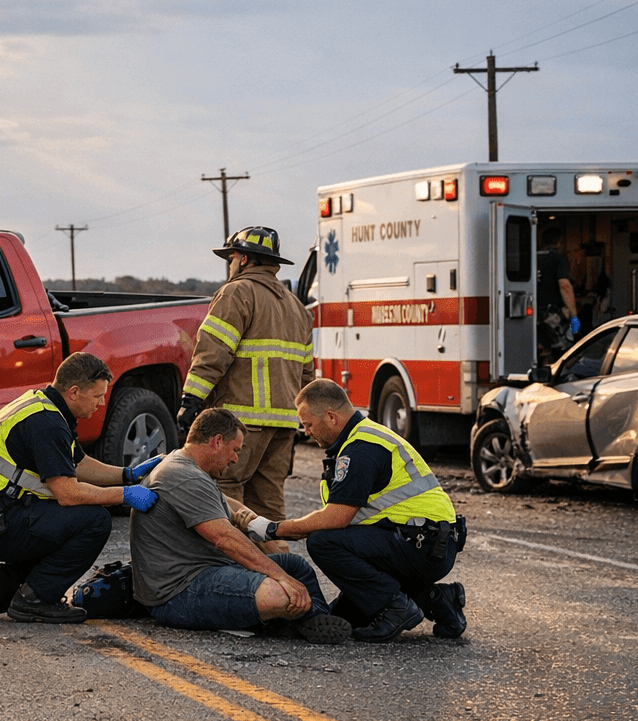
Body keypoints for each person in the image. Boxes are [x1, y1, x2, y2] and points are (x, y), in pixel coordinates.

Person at [243, 378, 466, 642]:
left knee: (324, 542)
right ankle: (439, 600)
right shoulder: (364, 437)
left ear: (331, 417)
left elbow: (336, 518)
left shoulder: (362, 449)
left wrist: (273, 530)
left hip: (420, 545)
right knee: (344, 616)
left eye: (309, 424)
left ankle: (396, 607)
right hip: (427, 543)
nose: (306, 432)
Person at [0, 352, 162, 624]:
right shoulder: (47, 423)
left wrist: (126, 474)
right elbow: (68, 494)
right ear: (74, 392)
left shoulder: (44, 406)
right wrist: (125, 495)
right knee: (93, 522)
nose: (101, 403)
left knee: (60, 529)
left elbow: (78, 463)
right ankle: (35, 600)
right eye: (97, 396)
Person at [131, 407, 350, 643]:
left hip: (206, 571)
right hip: (178, 594)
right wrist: (282, 578)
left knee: (295, 566)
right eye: (234, 450)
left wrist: (253, 522)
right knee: (279, 593)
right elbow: (225, 539)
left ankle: (313, 619)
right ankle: (297, 619)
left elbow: (227, 502)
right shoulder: (184, 476)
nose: (235, 459)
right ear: (217, 441)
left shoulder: (184, 464)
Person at [176, 226, 314, 553]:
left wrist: (191, 400)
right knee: (269, 512)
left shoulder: (236, 293)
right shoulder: (297, 307)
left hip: (240, 424)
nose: (230, 265)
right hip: (283, 426)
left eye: (231, 258)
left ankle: (236, 577)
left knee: (226, 500)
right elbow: (307, 374)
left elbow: (212, 353)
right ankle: (284, 575)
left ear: (243, 259)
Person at [537, 225, 580, 362]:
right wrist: (574, 316)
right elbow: (565, 286)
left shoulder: (531, 257)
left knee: (539, 351)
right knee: (563, 354)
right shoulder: (557, 258)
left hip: (532, 314)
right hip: (551, 316)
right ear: (560, 242)